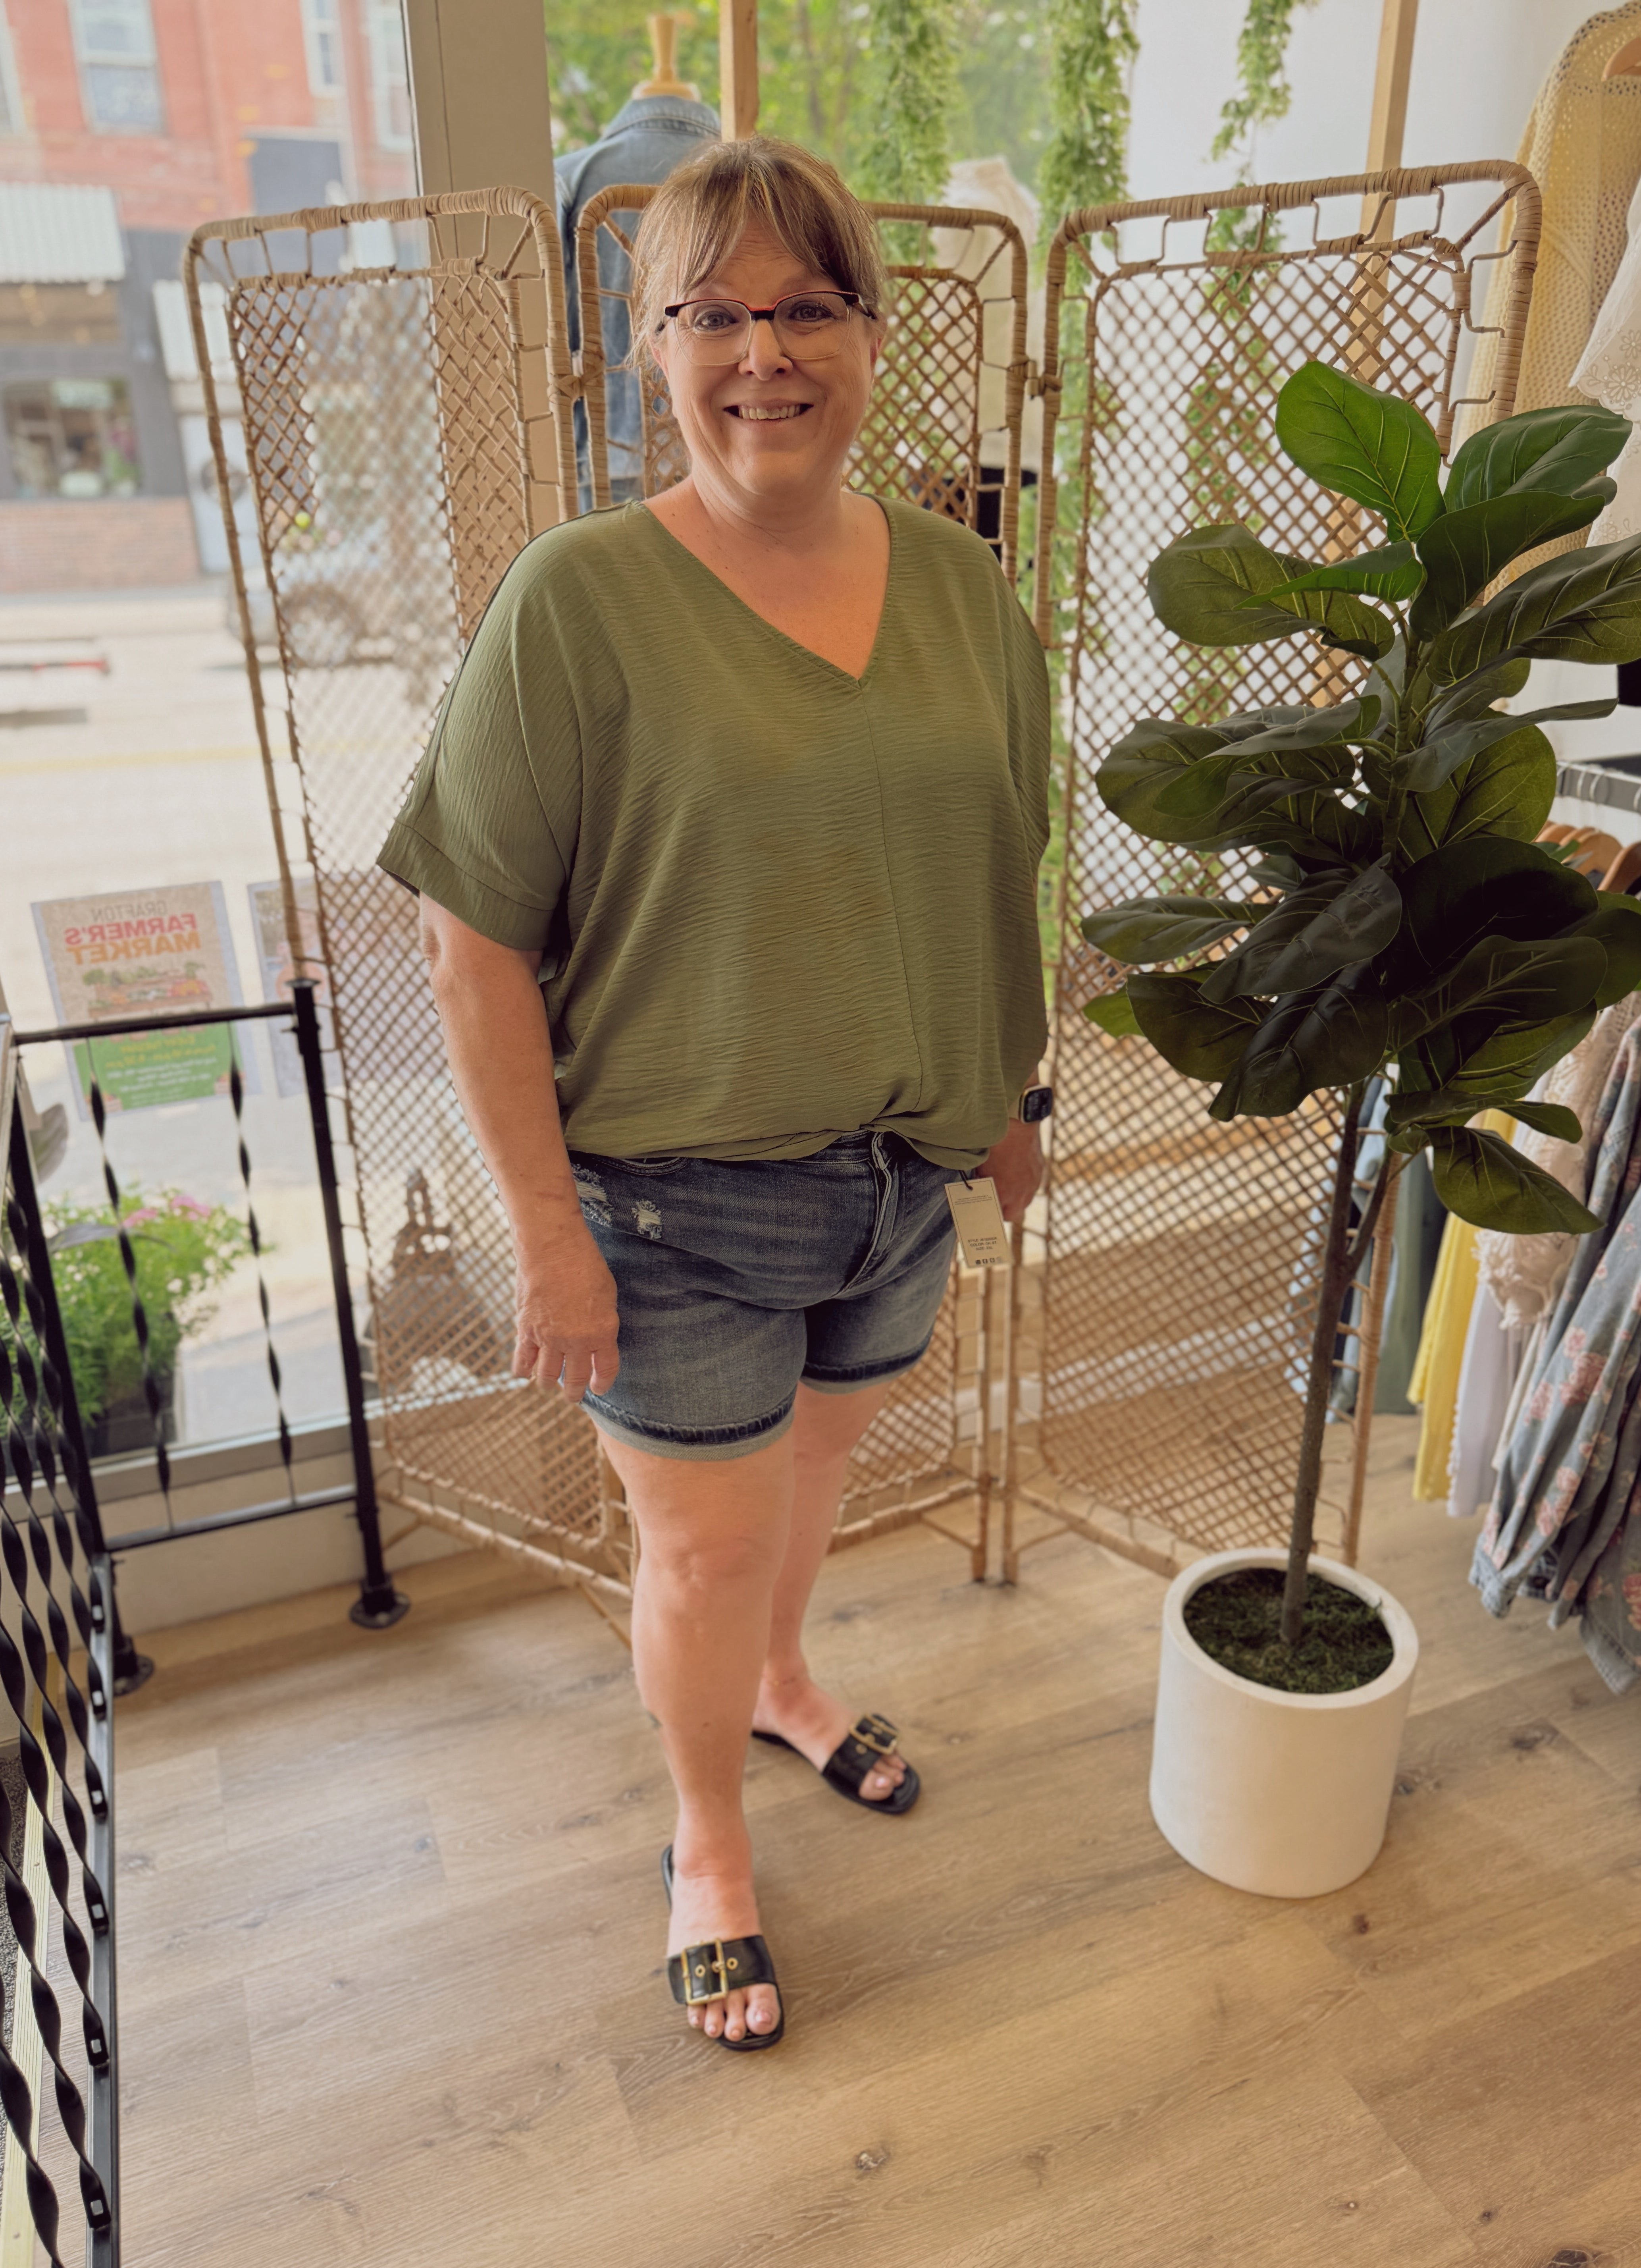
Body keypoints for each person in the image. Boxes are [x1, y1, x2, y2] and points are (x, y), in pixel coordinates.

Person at [378, 135, 1051, 2053]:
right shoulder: (578, 602)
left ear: (870, 332)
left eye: (806, 306)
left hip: (898, 1180)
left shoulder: (958, 583)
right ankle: (706, 1846)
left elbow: (1000, 863)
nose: (764, 352)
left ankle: (777, 1681)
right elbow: (469, 944)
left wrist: (1013, 1094)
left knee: (808, 1484)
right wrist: (543, 1232)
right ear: (648, 350)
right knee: (697, 1541)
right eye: (712, 314)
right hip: (673, 1205)